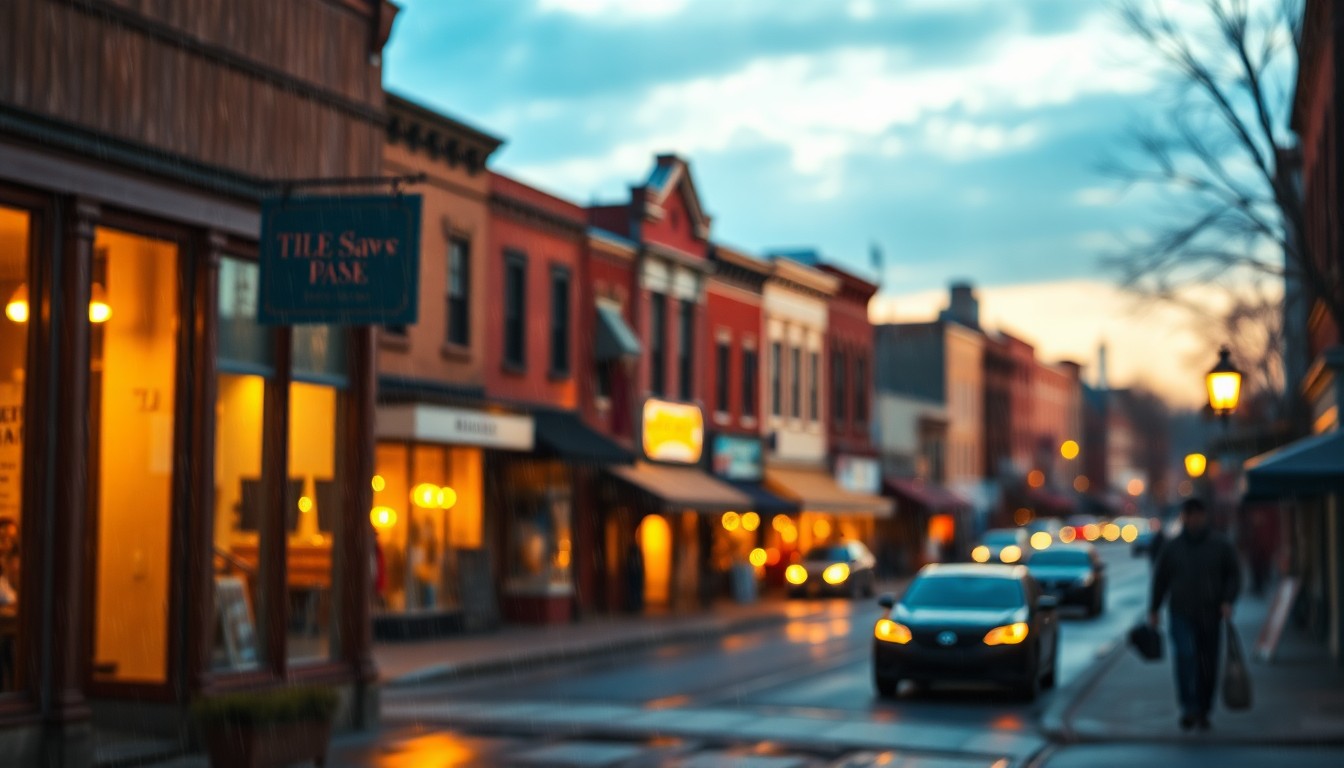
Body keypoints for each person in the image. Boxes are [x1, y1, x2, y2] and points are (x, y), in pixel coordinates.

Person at [1148, 498, 1241, 731]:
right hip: (1181, 611)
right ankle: (1188, 706)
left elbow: (1234, 574)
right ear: (1184, 517)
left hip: (1211, 613)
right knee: (1185, 656)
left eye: (1197, 515)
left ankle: (1203, 708)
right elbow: (1161, 578)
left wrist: (1228, 600)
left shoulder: (1219, 545)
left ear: (1204, 516)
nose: (1193, 520)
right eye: (1189, 515)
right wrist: (1154, 608)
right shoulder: (1173, 546)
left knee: (1207, 662)